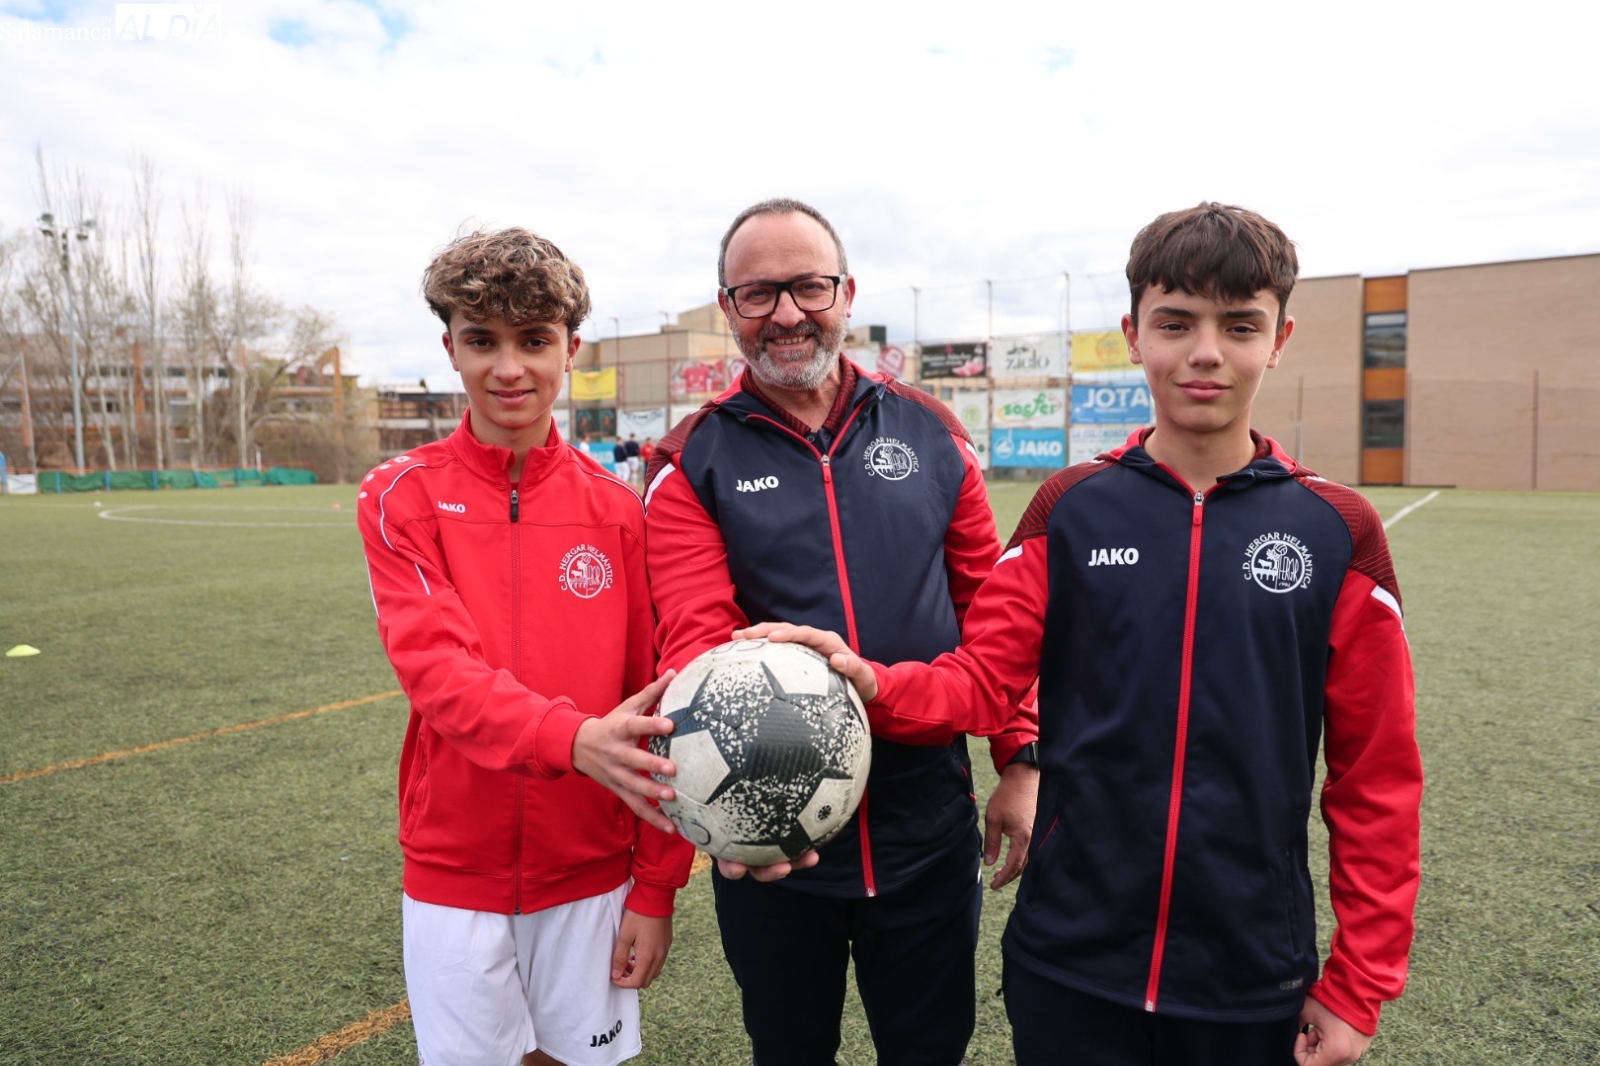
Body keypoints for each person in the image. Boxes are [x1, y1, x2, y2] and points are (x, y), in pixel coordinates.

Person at [745, 203, 1423, 1066]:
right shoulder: (1070, 511)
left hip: (1248, 970)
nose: (1205, 352)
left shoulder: (1338, 531)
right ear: (1133, 335)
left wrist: (1358, 985)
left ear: (1278, 339)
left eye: (1239, 325)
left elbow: (1376, 780)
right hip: (1069, 960)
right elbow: (982, 682)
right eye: (1175, 323)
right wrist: (874, 681)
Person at [643, 198, 1041, 1066]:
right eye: (758, 294)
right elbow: (697, 645)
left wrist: (1020, 756)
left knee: (929, 1050)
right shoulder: (688, 463)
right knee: (789, 1051)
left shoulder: (935, 434)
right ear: (729, 309)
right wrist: (743, 803)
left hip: (927, 832)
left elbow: (991, 621)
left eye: (809, 287)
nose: (787, 313)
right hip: (773, 842)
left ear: (847, 293)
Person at [358, 227, 688, 1066]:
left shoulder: (619, 510)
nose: (509, 369)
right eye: (483, 341)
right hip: (455, 868)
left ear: (570, 350)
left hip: (592, 869)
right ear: (450, 349)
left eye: (534, 341)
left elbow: (664, 706)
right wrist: (574, 739)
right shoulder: (400, 496)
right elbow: (438, 671)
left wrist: (655, 886)